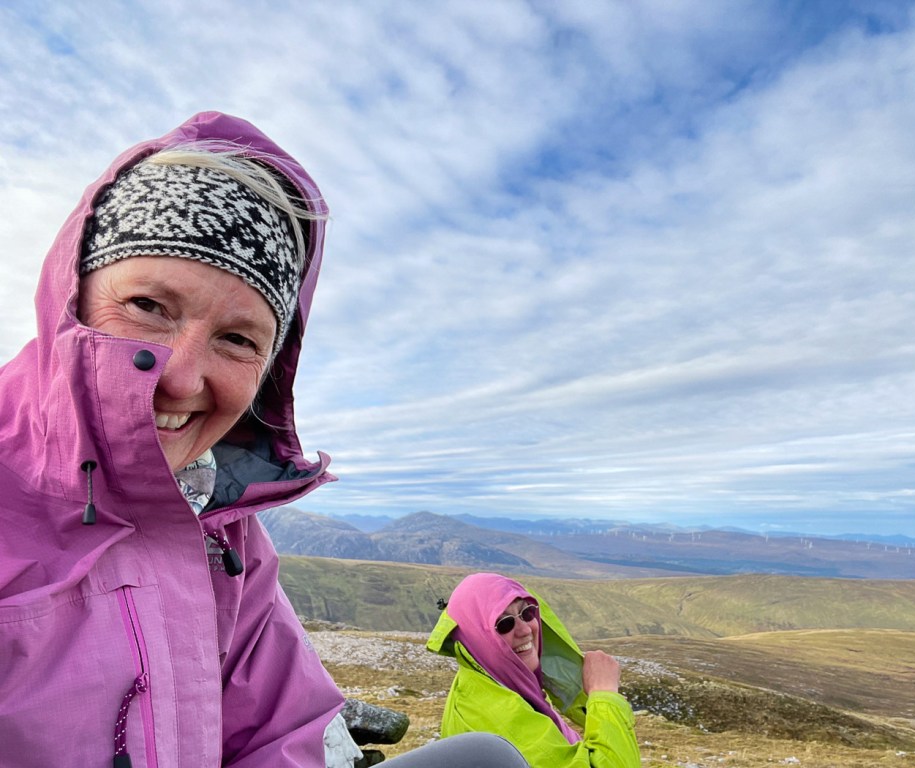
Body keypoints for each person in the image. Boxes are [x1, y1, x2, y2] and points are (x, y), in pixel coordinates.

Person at [0, 112, 528, 768]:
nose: (182, 378)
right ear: (70, 299)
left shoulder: (225, 531)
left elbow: (283, 733)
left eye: (237, 339)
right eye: (148, 306)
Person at [427, 572, 642, 768]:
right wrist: (604, 694)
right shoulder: (504, 718)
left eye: (527, 612)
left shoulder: (482, 684)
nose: (525, 629)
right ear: (478, 640)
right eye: (504, 624)